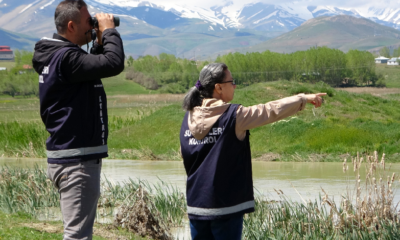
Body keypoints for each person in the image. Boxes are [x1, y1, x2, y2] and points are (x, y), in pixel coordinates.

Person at [180, 63, 326, 240]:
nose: (234, 86)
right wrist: (302, 98)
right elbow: (270, 110)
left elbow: (187, 158)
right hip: (226, 208)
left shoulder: (187, 119)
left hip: (196, 206)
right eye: (231, 82)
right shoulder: (234, 116)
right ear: (218, 88)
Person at [32, 0, 124, 239]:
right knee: (78, 235)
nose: (92, 25)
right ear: (71, 26)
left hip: (69, 156)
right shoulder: (66, 58)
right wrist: (110, 31)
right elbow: (113, 63)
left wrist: (98, 42)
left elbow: (92, 68)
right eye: (88, 22)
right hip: (77, 161)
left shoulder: (58, 56)